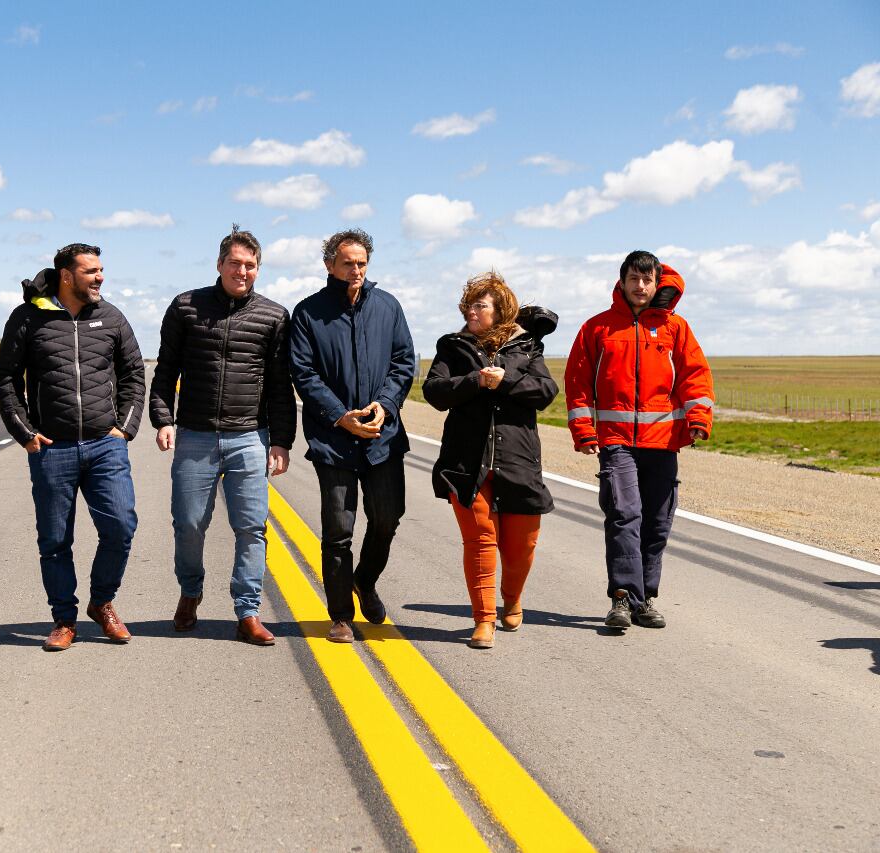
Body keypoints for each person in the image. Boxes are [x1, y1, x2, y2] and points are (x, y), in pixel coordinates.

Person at [149, 225, 297, 645]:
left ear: (258, 270)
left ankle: (247, 611)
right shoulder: (185, 307)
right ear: (219, 264)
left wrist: (281, 441)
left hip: (250, 438)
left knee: (252, 527)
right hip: (195, 437)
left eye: (250, 266)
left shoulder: (273, 316)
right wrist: (163, 419)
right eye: (235, 263)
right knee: (190, 524)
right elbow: (165, 372)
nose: (242, 271)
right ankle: (190, 591)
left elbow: (280, 386)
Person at [0, 243, 145, 651]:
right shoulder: (28, 317)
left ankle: (102, 602)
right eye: (90, 271)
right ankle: (64, 619)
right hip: (52, 448)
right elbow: (7, 378)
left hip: (104, 444)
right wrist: (25, 432)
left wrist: (125, 429)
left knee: (120, 526)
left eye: (100, 270)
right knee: (55, 540)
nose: (99, 278)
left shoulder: (111, 316)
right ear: (66, 275)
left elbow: (133, 373)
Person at [565, 251, 713, 630]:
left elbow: (695, 377)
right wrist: (584, 431)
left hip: (663, 442)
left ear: (657, 282)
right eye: (634, 278)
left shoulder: (675, 328)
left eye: (647, 279)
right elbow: (578, 385)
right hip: (616, 442)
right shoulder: (598, 328)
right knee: (624, 515)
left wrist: (698, 419)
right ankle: (621, 599)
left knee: (657, 522)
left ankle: (644, 598)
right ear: (622, 281)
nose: (641, 286)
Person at [288, 229, 416, 643]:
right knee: (338, 531)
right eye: (348, 263)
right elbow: (303, 373)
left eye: (362, 263)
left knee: (387, 518)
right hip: (334, 440)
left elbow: (402, 362)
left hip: (382, 436)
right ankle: (341, 615)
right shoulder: (308, 313)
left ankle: (365, 579)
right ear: (330, 265)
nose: (356, 270)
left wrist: (386, 404)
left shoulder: (388, 306)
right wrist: (340, 417)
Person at [423, 273, 558, 649]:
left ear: (500, 310)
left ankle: (512, 599)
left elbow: (546, 392)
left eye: (480, 305)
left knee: (521, 547)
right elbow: (434, 391)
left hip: (518, 460)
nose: (471, 311)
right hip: (466, 461)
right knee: (480, 540)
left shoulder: (526, 347)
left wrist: (507, 382)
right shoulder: (452, 346)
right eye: (468, 304)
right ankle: (484, 620)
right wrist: (475, 382)